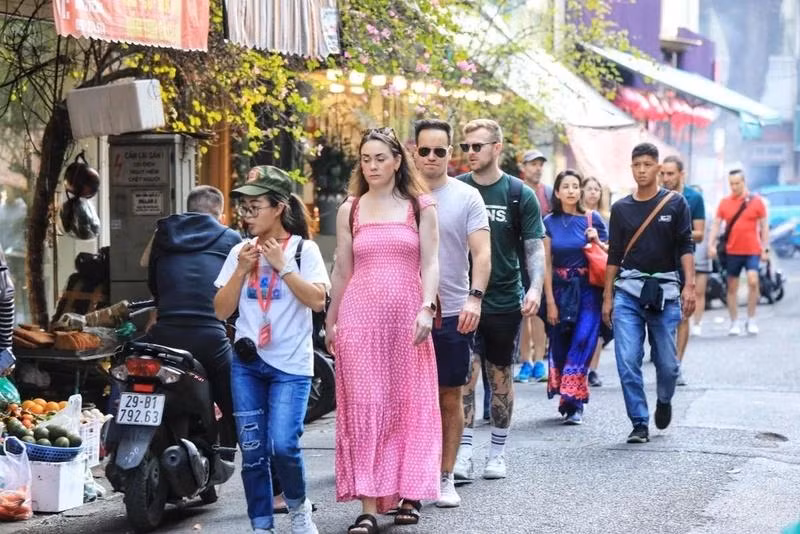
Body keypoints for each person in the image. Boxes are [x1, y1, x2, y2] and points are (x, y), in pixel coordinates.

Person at [325, 128, 441, 534]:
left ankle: (409, 492)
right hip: (359, 318)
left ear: (396, 161)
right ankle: (369, 507)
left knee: (407, 403)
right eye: (365, 159)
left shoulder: (419, 205)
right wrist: (331, 320)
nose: (371, 166)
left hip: (407, 318)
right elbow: (342, 269)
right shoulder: (351, 208)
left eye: (379, 158)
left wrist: (427, 307)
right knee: (365, 405)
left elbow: (431, 262)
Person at [214, 166, 329, 534]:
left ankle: (298, 510)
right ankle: (261, 526)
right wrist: (240, 271)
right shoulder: (239, 251)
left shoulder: (304, 250)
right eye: (244, 208)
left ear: (278, 207)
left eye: (255, 207)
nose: (247, 215)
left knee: (283, 446)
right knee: (252, 452)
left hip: (291, 367)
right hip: (247, 365)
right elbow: (221, 310)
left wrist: (283, 267)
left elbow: (317, 301)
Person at [453, 119, 545, 481]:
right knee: (465, 376)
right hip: (461, 298)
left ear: (496, 148)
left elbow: (534, 248)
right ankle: (463, 454)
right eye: (466, 147)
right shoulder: (457, 188)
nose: (470, 152)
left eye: (477, 146)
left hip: (505, 299)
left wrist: (535, 288)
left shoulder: (519, 193)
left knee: (501, 377)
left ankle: (497, 452)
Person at [412, 119, 491, 508]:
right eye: (424, 150)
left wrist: (475, 298)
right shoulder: (398, 195)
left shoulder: (466, 196)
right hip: (404, 310)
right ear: (413, 152)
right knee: (407, 398)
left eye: (439, 151)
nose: (431, 157)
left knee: (449, 395)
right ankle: (410, 476)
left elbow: (482, 253)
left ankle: (445, 476)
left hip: (453, 310)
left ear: (450, 154)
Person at [603, 143, 695, 444]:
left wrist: (690, 286)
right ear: (631, 168)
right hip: (628, 291)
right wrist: (607, 297)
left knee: (667, 364)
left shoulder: (676, 203)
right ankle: (639, 422)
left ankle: (664, 399)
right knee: (627, 359)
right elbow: (614, 255)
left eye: (647, 164)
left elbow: (686, 245)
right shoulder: (620, 208)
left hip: (665, 292)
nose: (641, 170)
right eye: (636, 165)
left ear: (658, 167)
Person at [146, 185, 242, 451]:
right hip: (210, 340)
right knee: (238, 403)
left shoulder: (164, 234)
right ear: (219, 213)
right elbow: (238, 291)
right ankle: (247, 452)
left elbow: (154, 284)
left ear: (188, 209)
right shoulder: (230, 238)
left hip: (163, 337)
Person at [543, 169, 608, 424]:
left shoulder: (592, 219)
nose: (571, 190)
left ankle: (574, 401)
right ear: (557, 192)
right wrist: (549, 301)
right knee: (561, 343)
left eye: (575, 186)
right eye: (566, 186)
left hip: (588, 290)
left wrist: (597, 241)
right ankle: (566, 395)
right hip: (560, 289)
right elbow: (545, 263)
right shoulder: (549, 222)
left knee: (583, 340)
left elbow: (612, 254)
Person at [659, 155, 705, 386]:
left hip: (683, 261)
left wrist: (675, 231)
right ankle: (664, 359)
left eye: (670, 173)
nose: (666, 178)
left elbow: (700, 233)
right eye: (663, 173)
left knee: (682, 315)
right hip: (658, 263)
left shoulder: (694, 198)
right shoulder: (655, 196)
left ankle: (676, 365)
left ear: (681, 174)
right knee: (658, 316)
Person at [708, 170, 769, 336]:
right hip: (732, 251)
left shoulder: (756, 202)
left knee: (753, 281)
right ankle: (734, 322)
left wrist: (766, 248)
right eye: (731, 184)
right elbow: (716, 225)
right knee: (732, 287)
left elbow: (764, 227)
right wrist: (711, 244)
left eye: (737, 183)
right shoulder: (724, 202)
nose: (734, 187)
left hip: (752, 250)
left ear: (744, 182)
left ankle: (751, 319)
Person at [515, 149, 551, 384]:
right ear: (523, 167)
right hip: (518, 257)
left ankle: (539, 361)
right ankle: (525, 361)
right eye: (532, 164)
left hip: (541, 258)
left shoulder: (548, 194)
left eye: (540, 164)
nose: (537, 168)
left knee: (538, 311)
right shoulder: (515, 190)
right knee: (522, 312)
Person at [582, 176, 611, 388]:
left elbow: (609, 249)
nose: (593, 192)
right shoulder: (573, 216)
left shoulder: (600, 218)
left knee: (597, 327)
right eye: (589, 188)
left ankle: (592, 370)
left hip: (596, 277)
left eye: (596, 189)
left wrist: (597, 242)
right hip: (578, 276)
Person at [688, 185, 712, 337]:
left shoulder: (709, 211)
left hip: (703, 254)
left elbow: (714, 230)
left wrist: (712, 246)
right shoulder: (686, 206)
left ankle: (697, 322)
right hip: (688, 253)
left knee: (699, 291)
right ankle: (688, 321)